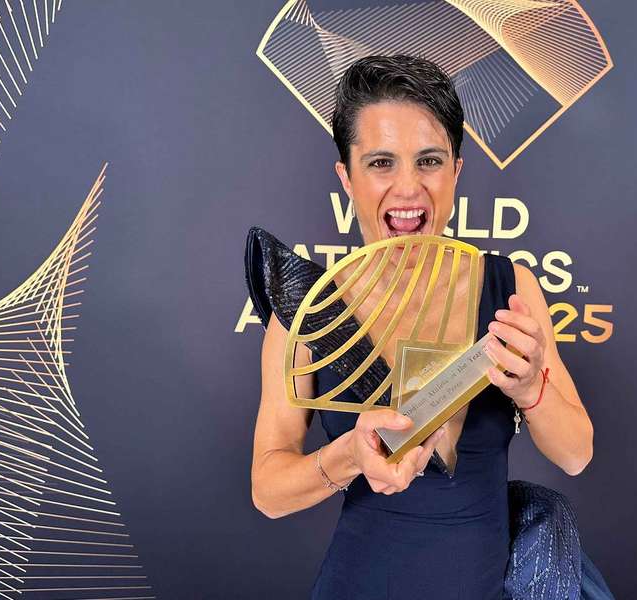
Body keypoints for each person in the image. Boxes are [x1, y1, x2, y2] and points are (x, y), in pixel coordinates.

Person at [250, 54, 596, 599]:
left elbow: (576, 454)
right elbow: (268, 490)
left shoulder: (509, 286)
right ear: (346, 176)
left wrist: (532, 391)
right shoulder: (309, 312)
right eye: (381, 163)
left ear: (457, 168)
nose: (408, 188)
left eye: (429, 160)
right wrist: (350, 457)